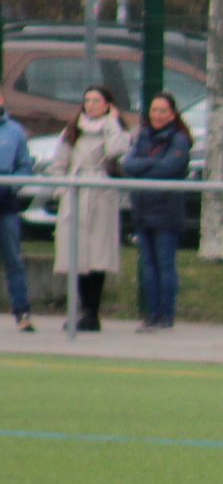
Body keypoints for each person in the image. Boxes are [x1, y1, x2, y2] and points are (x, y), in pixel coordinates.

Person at [48, 85, 130, 333]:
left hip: (101, 197)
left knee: (96, 256)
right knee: (77, 255)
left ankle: (92, 313)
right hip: (75, 196)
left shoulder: (115, 129)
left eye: (96, 100)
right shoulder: (73, 130)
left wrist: (112, 123)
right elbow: (58, 163)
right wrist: (62, 190)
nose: (91, 105)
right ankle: (80, 310)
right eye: (87, 100)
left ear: (107, 104)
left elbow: (117, 150)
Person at [121, 92, 193, 331]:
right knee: (148, 265)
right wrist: (149, 164)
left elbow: (169, 168)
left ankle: (166, 315)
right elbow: (128, 165)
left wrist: (144, 167)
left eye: (163, 111)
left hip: (167, 210)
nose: (158, 115)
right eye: (154, 110)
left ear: (172, 114)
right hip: (143, 208)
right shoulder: (142, 136)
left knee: (165, 264)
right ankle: (151, 314)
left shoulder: (179, 139)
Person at [0, 91, 34, 332]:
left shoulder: (15, 131)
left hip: (6, 204)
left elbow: (24, 166)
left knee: (13, 259)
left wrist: (11, 185)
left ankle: (22, 311)